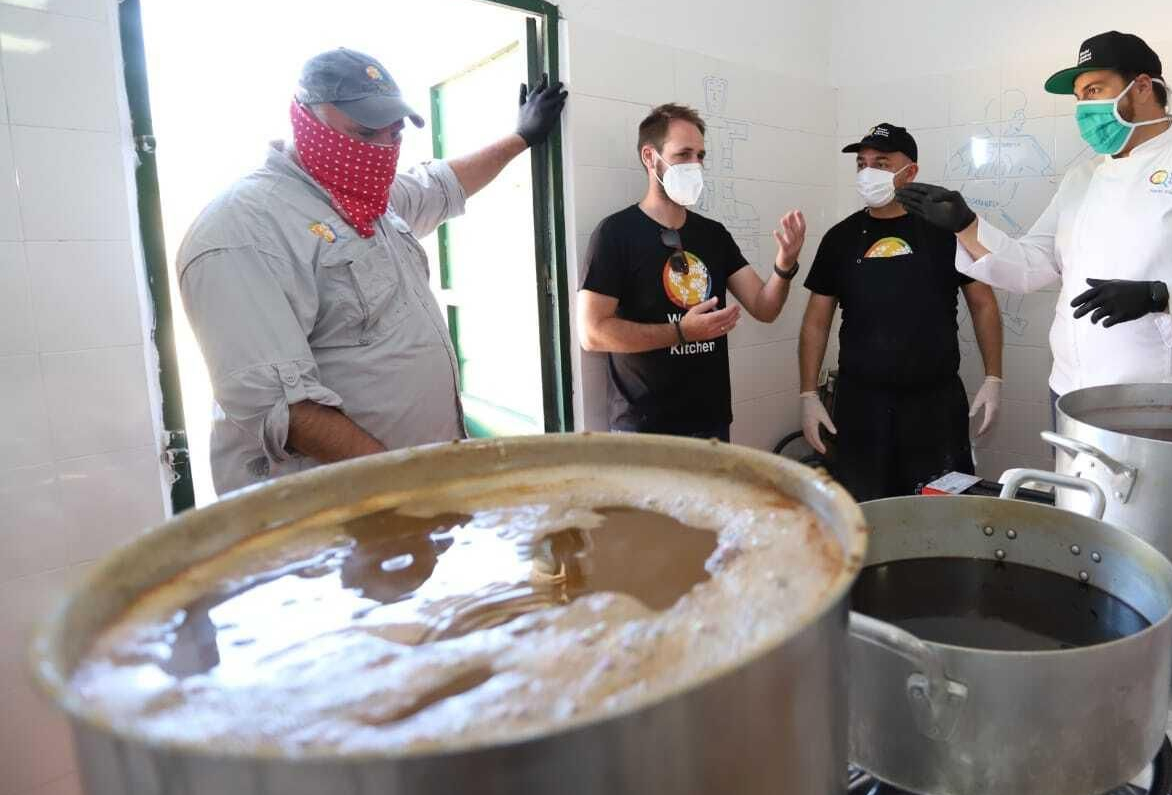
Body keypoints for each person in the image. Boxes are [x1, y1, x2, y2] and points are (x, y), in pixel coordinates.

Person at [178, 48, 566, 494]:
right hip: (338, 508)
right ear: (304, 118)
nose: (381, 149)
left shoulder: (371, 198)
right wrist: (407, 486)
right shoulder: (244, 228)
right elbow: (285, 410)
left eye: (394, 133)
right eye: (363, 132)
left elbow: (444, 184)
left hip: (416, 493)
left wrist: (522, 137)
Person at [896, 31, 1172, 408]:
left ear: (1142, 86)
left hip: (1169, 396)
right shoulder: (1081, 178)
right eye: (1079, 97)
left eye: (1095, 90)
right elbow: (1031, 268)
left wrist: (1159, 295)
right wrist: (966, 225)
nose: (1084, 108)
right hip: (1071, 391)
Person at [797, 123, 1005, 501]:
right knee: (866, 510)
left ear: (910, 172)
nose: (867, 172)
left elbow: (983, 303)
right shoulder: (840, 238)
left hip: (934, 403)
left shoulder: (945, 232)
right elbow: (816, 322)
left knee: (940, 512)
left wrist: (994, 377)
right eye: (861, 164)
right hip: (861, 404)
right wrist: (808, 394)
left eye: (881, 163)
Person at [576, 103, 806, 439]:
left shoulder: (713, 234)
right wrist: (681, 332)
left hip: (710, 423)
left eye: (700, 156)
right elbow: (592, 333)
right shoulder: (615, 234)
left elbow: (764, 307)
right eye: (683, 155)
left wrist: (784, 265)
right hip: (643, 430)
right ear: (650, 157)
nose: (695, 165)